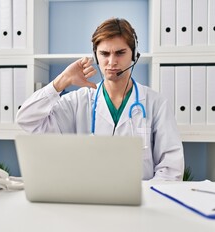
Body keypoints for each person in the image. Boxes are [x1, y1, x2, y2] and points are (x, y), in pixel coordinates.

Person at [16, 18, 184, 181]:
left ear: (134, 55)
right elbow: (26, 120)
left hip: (141, 201)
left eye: (120, 53)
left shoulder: (156, 104)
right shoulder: (78, 101)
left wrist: (147, 198)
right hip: (90, 199)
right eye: (104, 53)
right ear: (96, 56)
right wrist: (62, 80)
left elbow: (170, 168)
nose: (112, 62)